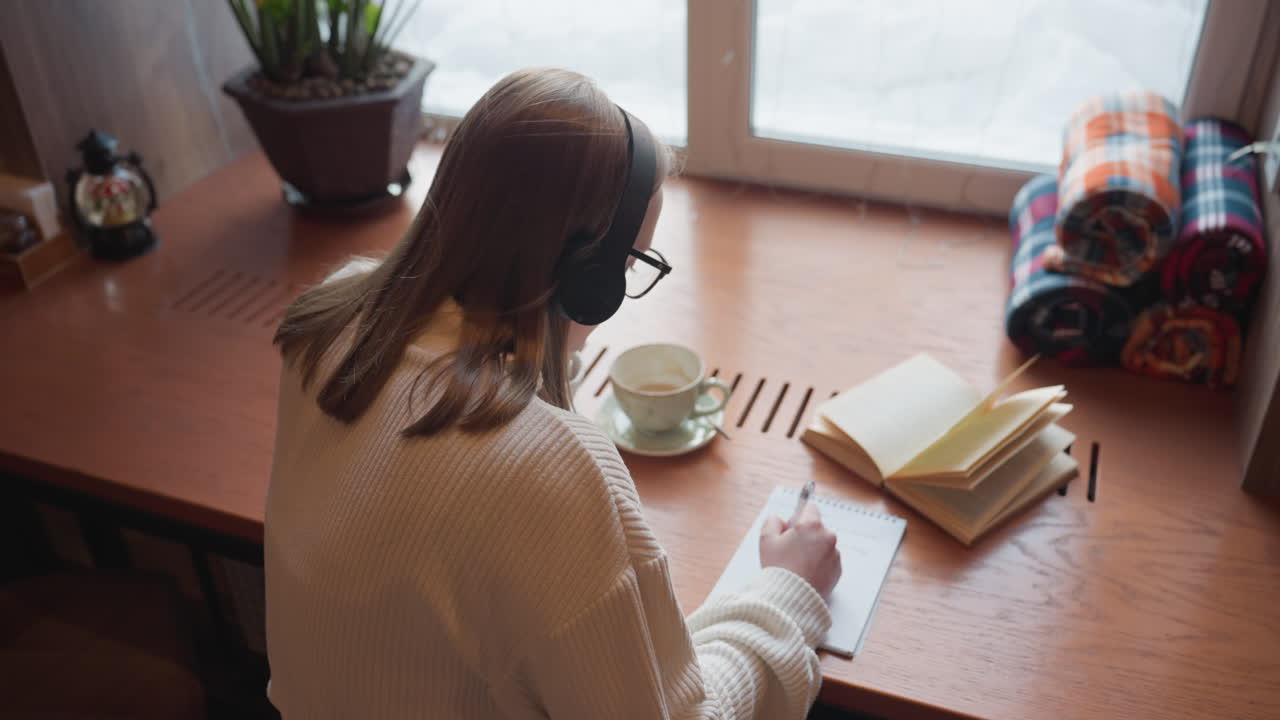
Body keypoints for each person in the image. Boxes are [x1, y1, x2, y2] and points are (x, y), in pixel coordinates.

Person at [264, 67, 842, 719]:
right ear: (586, 282)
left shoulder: (328, 327)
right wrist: (785, 594)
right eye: (630, 266)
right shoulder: (546, 466)